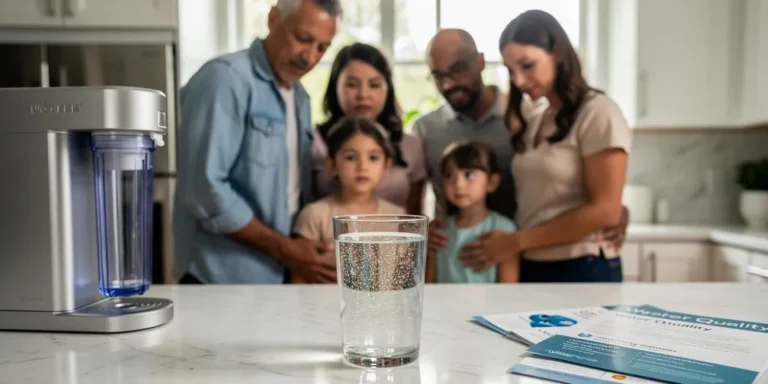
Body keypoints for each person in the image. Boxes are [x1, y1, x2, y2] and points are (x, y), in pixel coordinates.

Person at [414, 28, 630, 276]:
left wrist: (614, 209)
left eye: (458, 69)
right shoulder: (425, 130)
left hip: (523, 256)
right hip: (461, 258)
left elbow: (593, 196)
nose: (448, 83)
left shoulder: (525, 117)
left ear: (481, 62)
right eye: (438, 76)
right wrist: (423, 231)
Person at [172, 0, 342, 284]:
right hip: (217, 278)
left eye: (322, 48)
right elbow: (204, 189)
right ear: (273, 19)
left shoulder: (300, 97)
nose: (309, 57)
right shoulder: (225, 79)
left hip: (277, 275)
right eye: (303, 38)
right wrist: (285, 249)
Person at [313, 43, 427, 214]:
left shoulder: (410, 145)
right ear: (335, 86)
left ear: (388, 88)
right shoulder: (314, 141)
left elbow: (415, 215)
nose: (363, 95)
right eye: (352, 84)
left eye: (374, 85)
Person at [291, 116, 405, 283]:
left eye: (373, 158)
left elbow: (404, 278)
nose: (362, 167)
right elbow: (299, 279)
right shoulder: (315, 215)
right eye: (351, 157)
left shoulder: (398, 217)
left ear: (386, 166)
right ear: (332, 165)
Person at [425, 141, 519, 284]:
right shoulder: (439, 231)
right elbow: (429, 284)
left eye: (469, 175)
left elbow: (508, 287)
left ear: (492, 182)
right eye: (449, 175)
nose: (458, 184)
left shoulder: (504, 229)